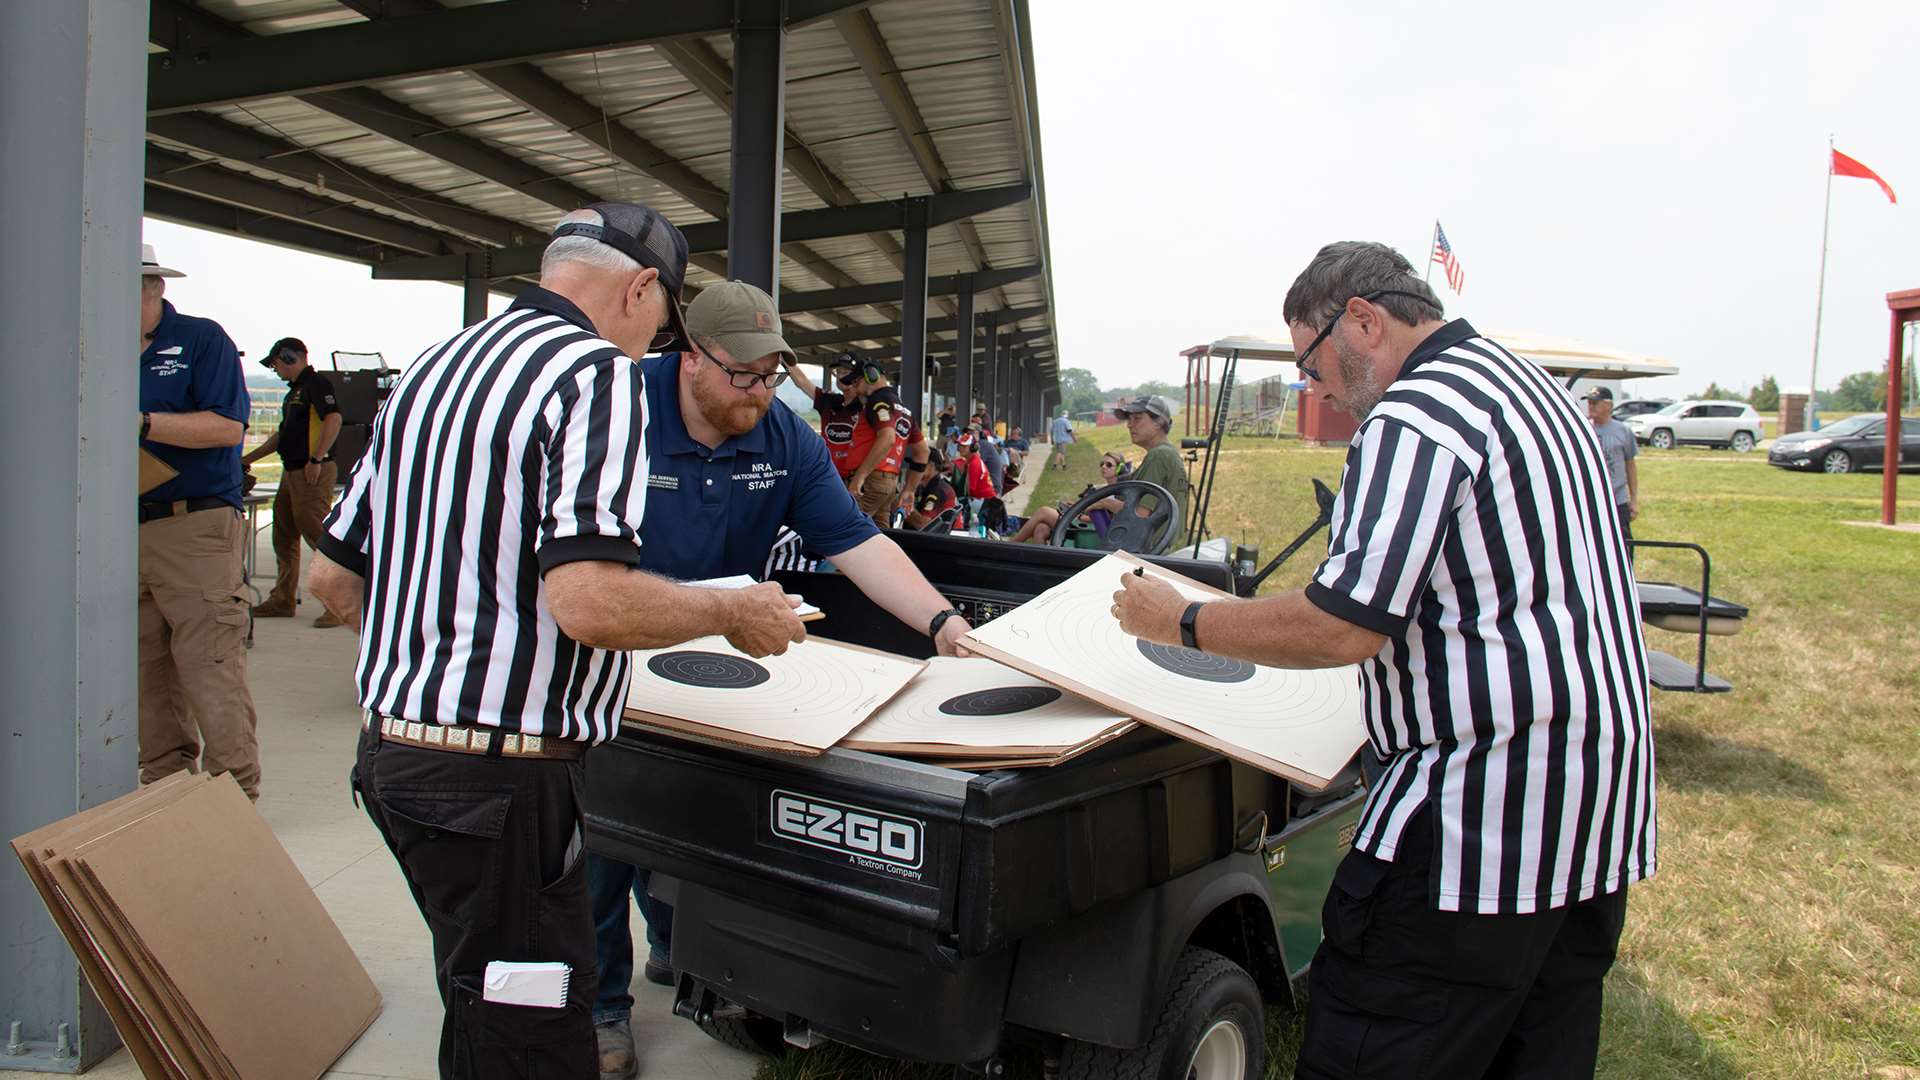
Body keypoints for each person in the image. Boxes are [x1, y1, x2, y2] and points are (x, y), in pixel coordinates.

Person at [1112, 241, 1652, 1080]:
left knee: (1375, 1043)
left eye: (1311, 362)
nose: (1314, 388)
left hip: (1474, 823)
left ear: (1361, 319)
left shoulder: (1414, 415)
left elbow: (1343, 624)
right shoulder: (1533, 389)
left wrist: (1182, 617)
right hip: (1590, 811)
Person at [308, 203, 815, 1080]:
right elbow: (588, 603)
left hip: (394, 759)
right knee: (535, 1030)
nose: (658, 335)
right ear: (643, 286)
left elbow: (330, 577)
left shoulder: (435, 364)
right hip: (503, 783)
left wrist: (444, 654)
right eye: (665, 315)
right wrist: (734, 612)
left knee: (480, 997)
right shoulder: (597, 378)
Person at [583, 281, 974, 1078]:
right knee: (602, 834)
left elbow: (856, 543)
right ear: (690, 356)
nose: (759, 393)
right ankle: (600, 1008)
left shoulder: (782, 439)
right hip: (610, 652)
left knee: (696, 817)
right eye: (743, 376)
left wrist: (944, 625)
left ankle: (677, 948)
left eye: (772, 377)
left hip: (719, 658)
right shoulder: (616, 411)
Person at [135, 242, 263, 801]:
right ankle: (164, 788)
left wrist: (138, 422)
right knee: (143, 669)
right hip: (122, 527)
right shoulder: (92, 338)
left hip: (193, 525)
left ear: (155, 286)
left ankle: (234, 795)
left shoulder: (200, 339)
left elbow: (227, 429)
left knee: (209, 660)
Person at [243, 337, 345, 626]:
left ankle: (339, 605)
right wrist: (248, 458)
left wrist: (316, 459)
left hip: (311, 471)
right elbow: (282, 435)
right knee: (284, 536)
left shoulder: (317, 385)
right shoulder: (294, 393)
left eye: (276, 363)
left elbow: (333, 419)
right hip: (292, 472)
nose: (275, 370)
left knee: (319, 538)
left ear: (290, 357)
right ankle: (282, 599)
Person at [1008, 452, 1129, 544]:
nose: (1103, 467)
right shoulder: (1104, 488)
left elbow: (1108, 520)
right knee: (1041, 529)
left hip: (1091, 530)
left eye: (1109, 465)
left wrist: (1079, 515)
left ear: (1119, 468)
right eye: (1101, 464)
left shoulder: (1118, 492)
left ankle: (1012, 545)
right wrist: (1075, 507)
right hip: (1080, 522)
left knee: (1044, 511)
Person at [1585, 387, 1640, 547]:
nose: (1590, 406)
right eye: (1589, 403)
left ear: (1608, 406)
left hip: (1618, 500)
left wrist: (1634, 499)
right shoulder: (1584, 428)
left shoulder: (1623, 431)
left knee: (1624, 544)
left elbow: (1630, 465)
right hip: (1592, 500)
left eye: (1595, 403)